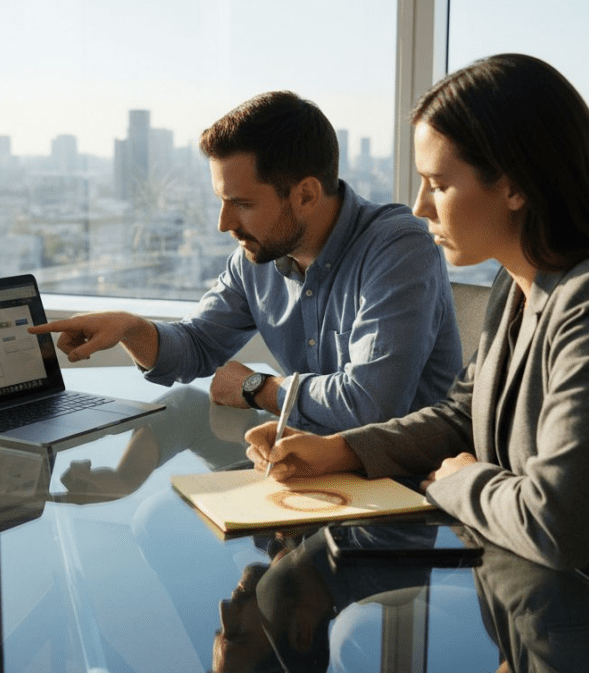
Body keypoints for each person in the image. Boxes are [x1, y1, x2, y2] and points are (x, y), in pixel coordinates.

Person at [245, 54, 589, 639]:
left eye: (438, 184)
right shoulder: (517, 282)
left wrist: (459, 479)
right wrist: (337, 450)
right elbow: (463, 413)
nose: (419, 207)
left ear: (513, 184)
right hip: (545, 619)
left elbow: (559, 523)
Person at [30, 91, 462, 434]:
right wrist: (132, 328)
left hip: (404, 492)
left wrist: (259, 388)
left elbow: (371, 406)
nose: (224, 224)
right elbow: (198, 346)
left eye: (241, 203)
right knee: (152, 523)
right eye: (222, 201)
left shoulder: (398, 249)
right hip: (308, 469)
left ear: (306, 195)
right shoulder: (256, 257)